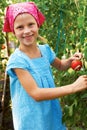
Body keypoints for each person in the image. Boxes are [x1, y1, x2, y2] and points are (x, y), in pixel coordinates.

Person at [3, 2, 87, 130]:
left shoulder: (45, 50)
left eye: (31, 24)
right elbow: (36, 93)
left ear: (38, 24)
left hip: (49, 111)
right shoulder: (17, 61)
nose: (27, 31)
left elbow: (60, 65)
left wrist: (70, 61)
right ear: (13, 31)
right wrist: (73, 87)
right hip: (31, 117)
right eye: (20, 27)